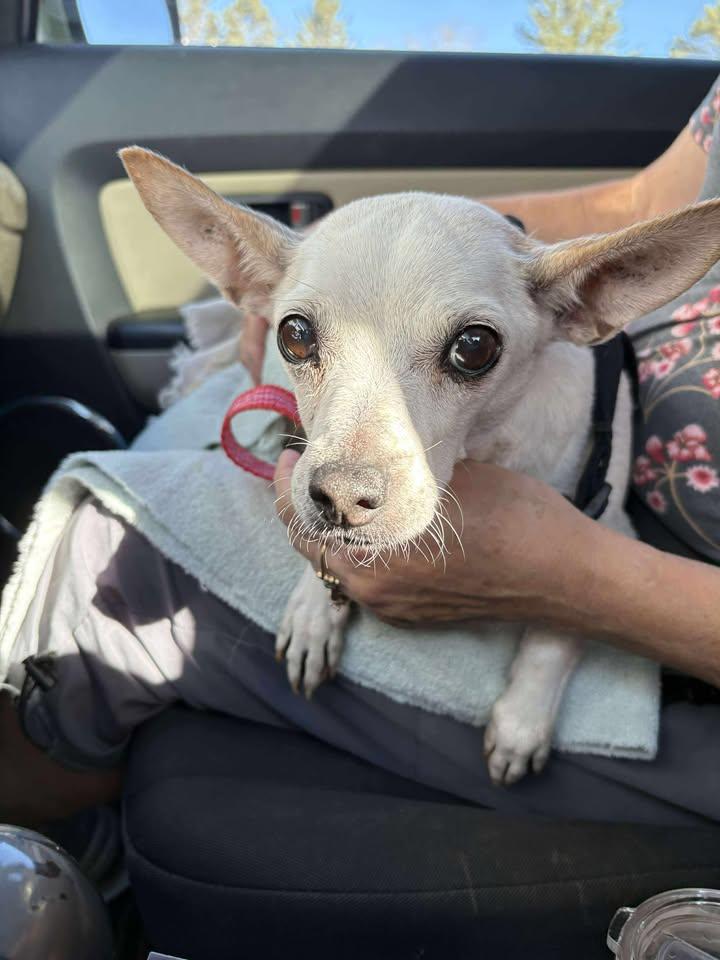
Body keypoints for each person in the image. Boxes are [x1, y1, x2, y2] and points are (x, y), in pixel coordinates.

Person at [2, 77, 720, 830]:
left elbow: (596, 530)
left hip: (649, 582)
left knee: (94, 539)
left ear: (581, 301)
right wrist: (407, 252)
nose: (344, 480)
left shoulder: (559, 343)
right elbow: (643, 203)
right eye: (301, 337)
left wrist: (548, 643)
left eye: (468, 349)